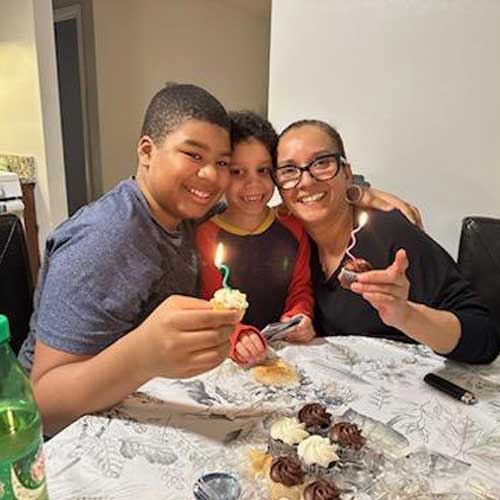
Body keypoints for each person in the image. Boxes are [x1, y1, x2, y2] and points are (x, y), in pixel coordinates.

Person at [17, 84, 264, 435]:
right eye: (193, 155)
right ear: (147, 151)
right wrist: (143, 355)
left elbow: (249, 210)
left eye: (222, 163)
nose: (211, 175)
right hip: (62, 439)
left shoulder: (190, 212)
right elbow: (43, 405)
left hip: (141, 407)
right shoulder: (105, 238)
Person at [274, 119, 500, 364]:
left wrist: (406, 315)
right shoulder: (289, 242)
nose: (306, 181)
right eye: (289, 171)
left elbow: (484, 338)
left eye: (322, 163)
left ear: (347, 172)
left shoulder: (390, 234)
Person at [196, 111, 316, 356]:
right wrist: (238, 334)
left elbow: (300, 288)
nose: (253, 184)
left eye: (263, 171)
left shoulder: (294, 228)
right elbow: (212, 307)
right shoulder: (205, 236)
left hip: (287, 352)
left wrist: (300, 315)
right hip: (229, 357)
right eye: (238, 172)